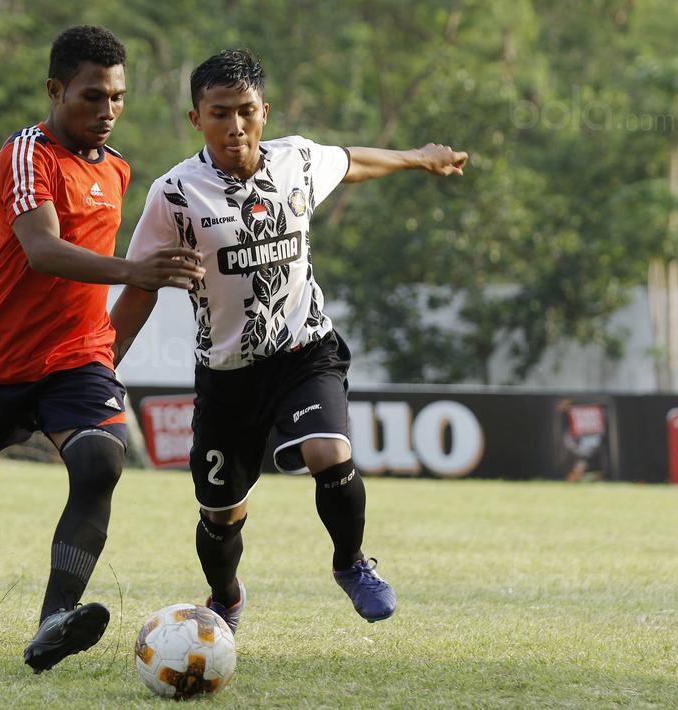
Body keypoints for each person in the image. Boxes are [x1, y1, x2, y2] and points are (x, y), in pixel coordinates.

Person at [110, 49, 468, 633]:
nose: (235, 127)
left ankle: (351, 564)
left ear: (264, 112)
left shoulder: (295, 160)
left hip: (306, 350)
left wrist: (417, 159)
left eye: (246, 111)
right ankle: (225, 595)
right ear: (196, 118)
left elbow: (352, 162)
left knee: (330, 451)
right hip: (228, 374)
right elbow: (140, 287)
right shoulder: (173, 194)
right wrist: (104, 364)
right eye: (219, 113)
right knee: (221, 515)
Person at [0, 26, 205, 674]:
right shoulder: (24, 155)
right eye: (92, 97)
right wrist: (134, 270)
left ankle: (52, 623)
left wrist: (102, 362)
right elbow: (41, 251)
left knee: (100, 466)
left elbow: (116, 283)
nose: (106, 111)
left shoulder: (117, 168)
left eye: (117, 98)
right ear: (54, 89)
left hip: (75, 359)